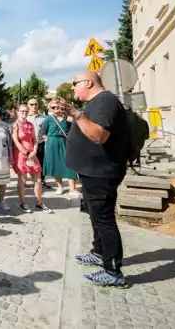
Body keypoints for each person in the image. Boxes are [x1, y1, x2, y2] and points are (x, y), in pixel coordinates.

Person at [65, 71, 128, 288]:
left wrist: (77, 115)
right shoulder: (97, 102)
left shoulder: (105, 102)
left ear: (88, 82)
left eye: (75, 83)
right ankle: (99, 252)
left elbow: (99, 135)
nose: (73, 88)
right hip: (92, 171)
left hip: (102, 172)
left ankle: (113, 271)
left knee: (104, 219)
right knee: (95, 215)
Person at [12, 104, 51, 214]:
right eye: (22, 111)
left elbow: (34, 140)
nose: (24, 113)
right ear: (18, 112)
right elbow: (16, 140)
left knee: (38, 179)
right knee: (22, 179)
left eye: (26, 111)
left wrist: (34, 151)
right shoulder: (15, 125)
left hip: (32, 154)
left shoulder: (30, 124)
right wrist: (26, 152)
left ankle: (39, 203)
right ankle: (23, 202)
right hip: (21, 154)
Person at [42, 99, 78, 196]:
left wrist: (73, 121)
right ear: (50, 109)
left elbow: (74, 131)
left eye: (57, 106)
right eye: (53, 107)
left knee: (70, 165)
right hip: (52, 143)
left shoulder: (68, 118)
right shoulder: (48, 119)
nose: (56, 108)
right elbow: (44, 133)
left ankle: (72, 189)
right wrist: (47, 143)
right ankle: (60, 186)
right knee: (56, 165)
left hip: (65, 142)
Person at [26, 98, 48, 187]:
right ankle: (28, 180)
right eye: (31, 104)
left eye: (35, 104)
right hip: (28, 144)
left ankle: (41, 180)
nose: (34, 106)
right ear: (28, 105)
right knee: (27, 162)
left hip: (39, 143)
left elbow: (47, 131)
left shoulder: (44, 118)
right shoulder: (25, 117)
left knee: (41, 162)